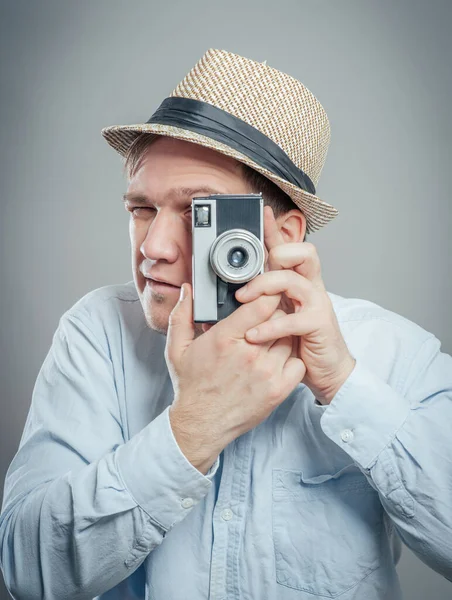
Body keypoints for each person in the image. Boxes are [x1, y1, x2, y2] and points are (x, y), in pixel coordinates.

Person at [0, 48, 451, 600]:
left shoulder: (392, 351)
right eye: (142, 209)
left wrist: (344, 387)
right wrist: (192, 429)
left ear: (285, 235)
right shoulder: (98, 334)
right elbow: (26, 572)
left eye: (198, 213)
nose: (154, 249)